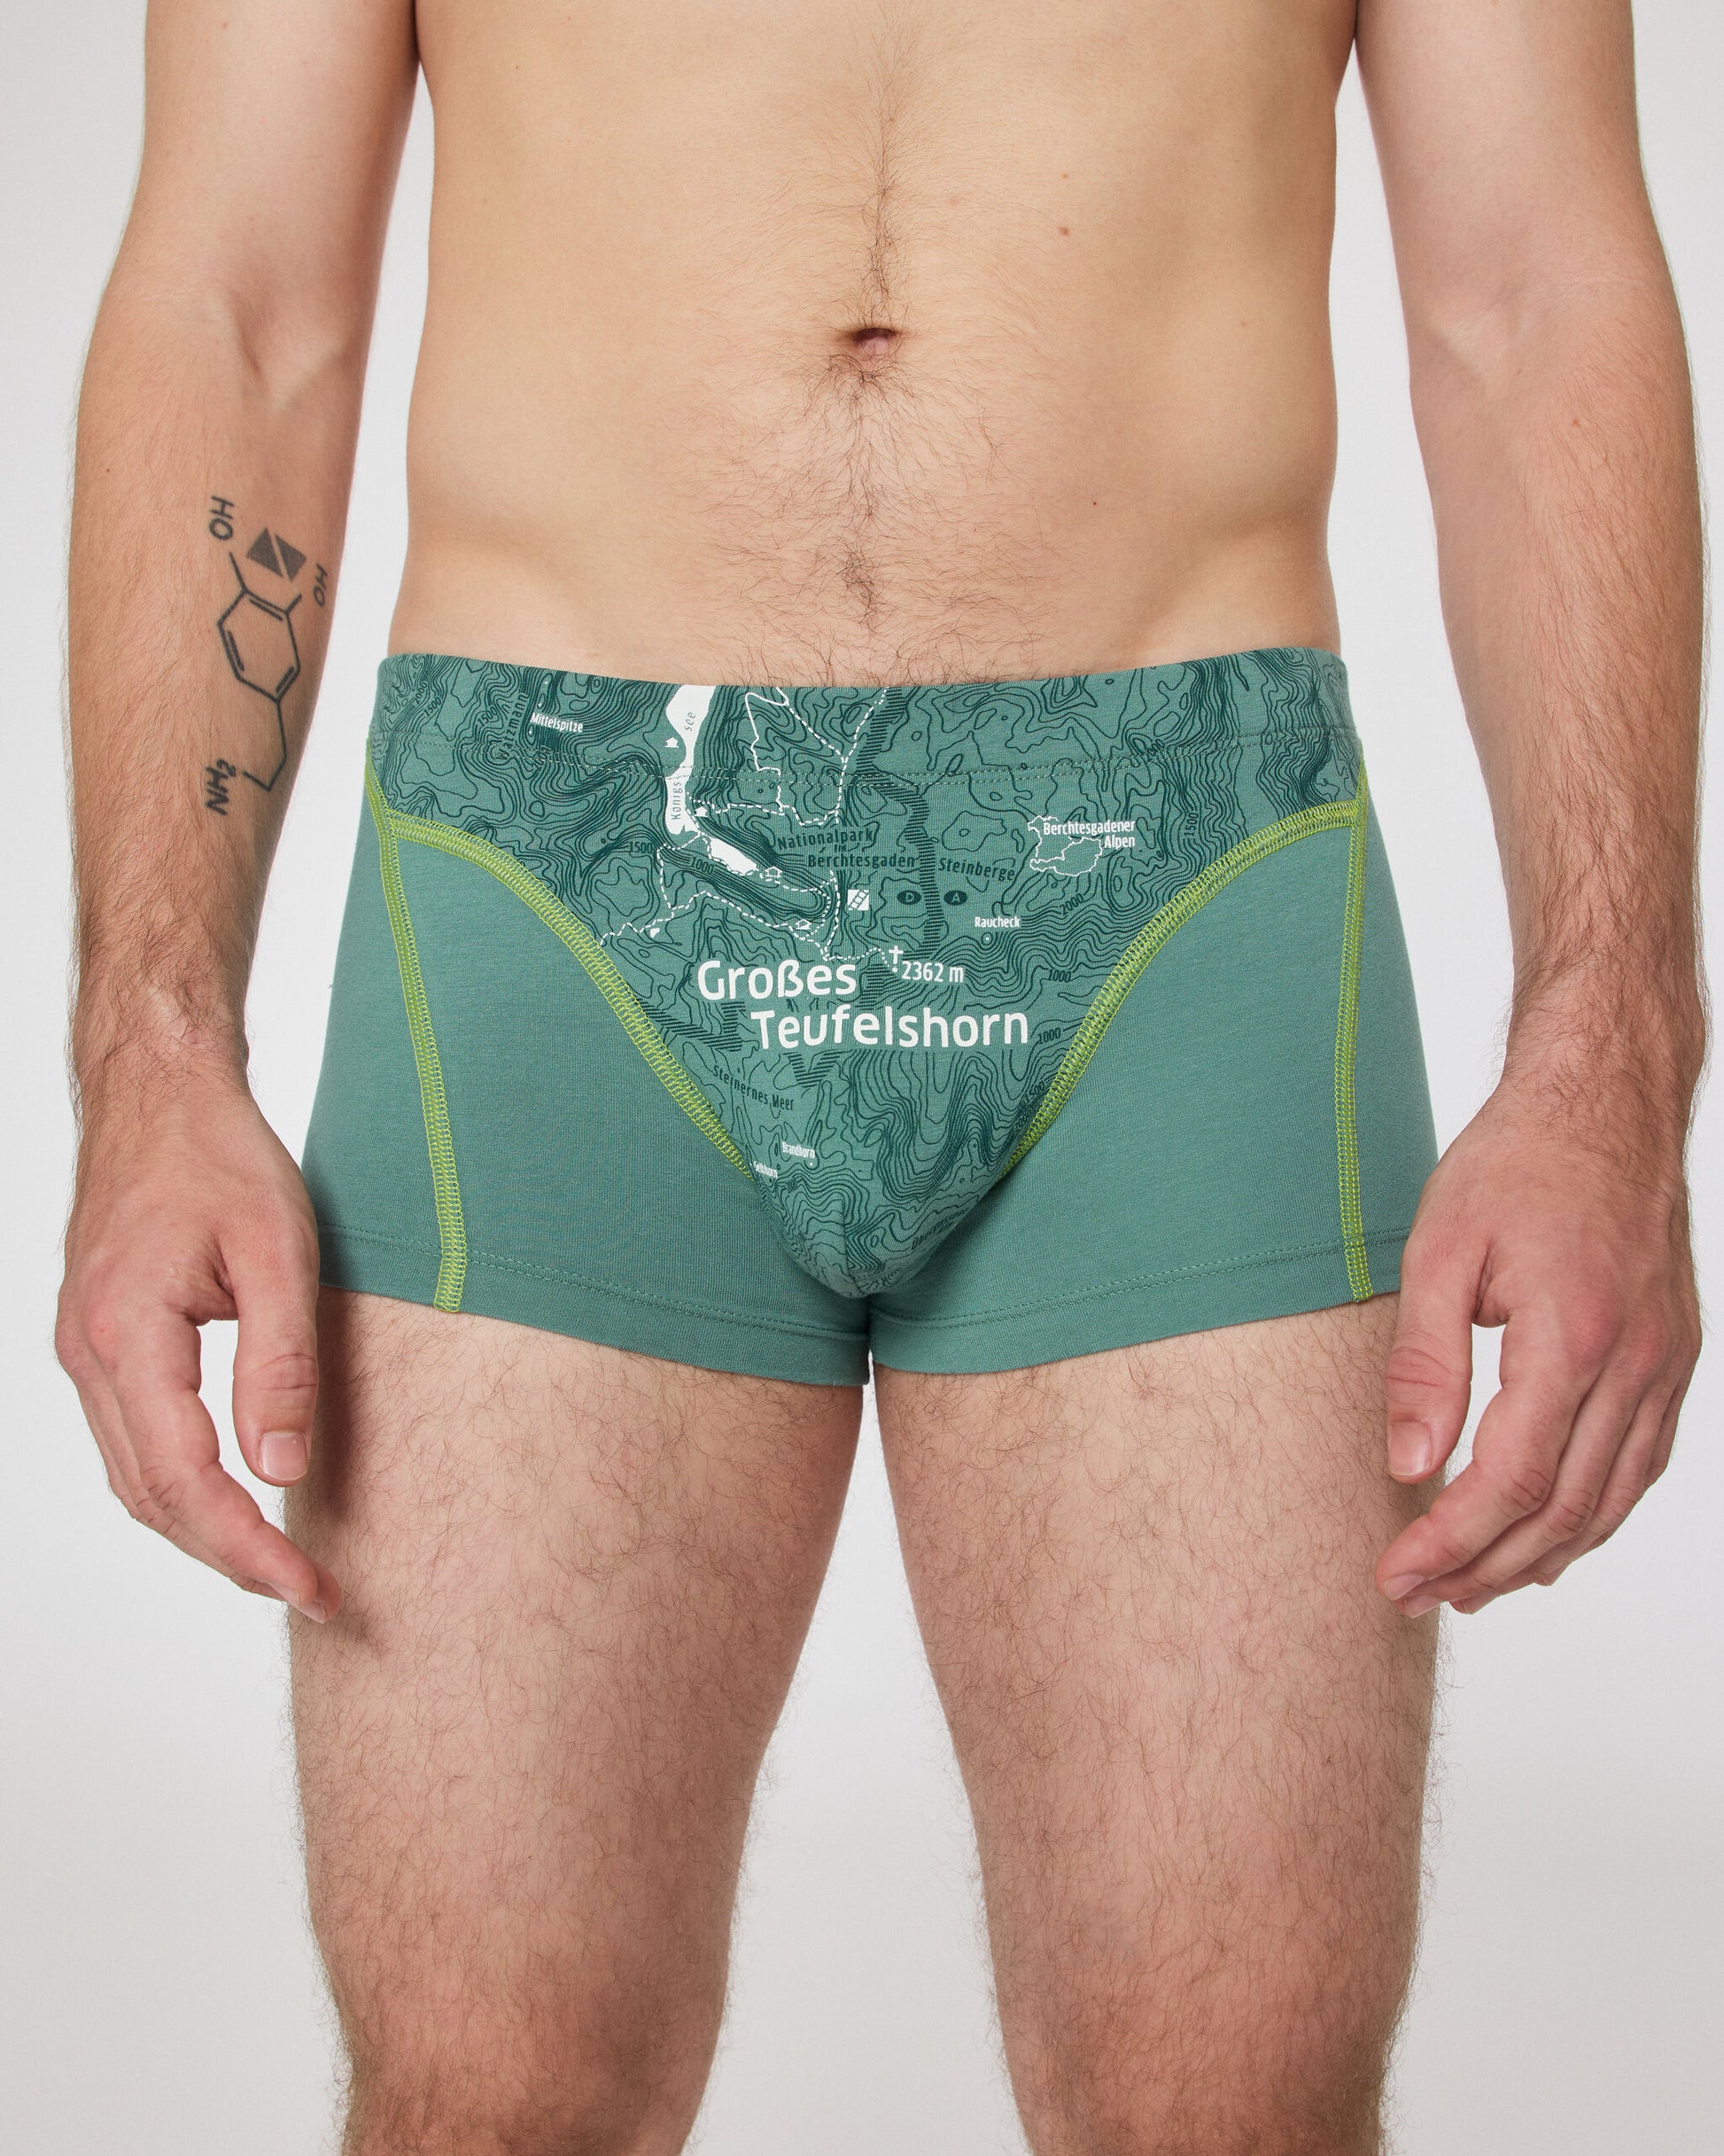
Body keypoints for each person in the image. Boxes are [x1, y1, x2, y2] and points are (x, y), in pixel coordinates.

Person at [56, 2, 1703, 2150]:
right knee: (488, 2092)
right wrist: (151, 1045)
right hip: (551, 861)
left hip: (1175, 858)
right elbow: (239, 299)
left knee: (1229, 2101)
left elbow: (1531, 288)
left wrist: (1608, 1044)